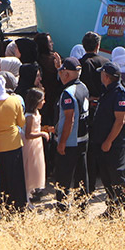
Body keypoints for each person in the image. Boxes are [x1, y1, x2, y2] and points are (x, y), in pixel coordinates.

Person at [91, 62, 125, 216]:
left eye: (102, 73)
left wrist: (109, 141)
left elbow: (120, 120)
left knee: (116, 176)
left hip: (115, 144)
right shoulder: (108, 91)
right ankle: (113, 209)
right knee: (107, 177)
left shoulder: (119, 93)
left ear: (106, 76)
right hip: (103, 142)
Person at [0, 72, 26, 209]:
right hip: (13, 144)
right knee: (16, 178)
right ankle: (19, 206)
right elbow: (21, 122)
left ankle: (2, 207)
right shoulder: (15, 101)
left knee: (0, 180)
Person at [52, 57, 89, 204]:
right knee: (81, 177)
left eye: (61, 72)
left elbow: (70, 119)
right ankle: (82, 207)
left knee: (63, 178)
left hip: (70, 142)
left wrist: (62, 142)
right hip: (83, 138)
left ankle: (62, 209)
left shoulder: (68, 93)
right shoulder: (83, 87)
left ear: (66, 74)